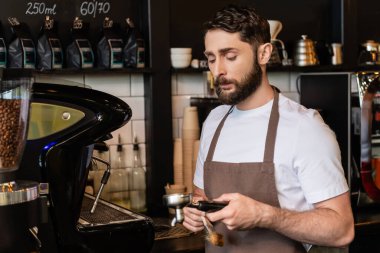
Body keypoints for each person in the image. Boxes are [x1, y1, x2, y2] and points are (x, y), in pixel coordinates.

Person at [182, 4, 354, 253]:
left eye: (230, 56)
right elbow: (201, 194)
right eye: (211, 58)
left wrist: (265, 215)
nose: (218, 70)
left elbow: (342, 229)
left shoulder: (305, 128)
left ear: (263, 54)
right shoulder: (214, 121)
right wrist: (196, 211)